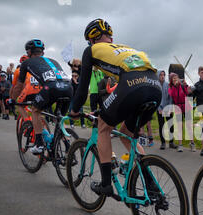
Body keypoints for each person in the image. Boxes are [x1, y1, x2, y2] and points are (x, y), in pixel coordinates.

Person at [70, 19, 162, 196]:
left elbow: (82, 89)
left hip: (133, 85)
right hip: (154, 86)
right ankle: (150, 183)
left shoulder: (91, 50)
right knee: (127, 134)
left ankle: (105, 184)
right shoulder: (126, 48)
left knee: (103, 127)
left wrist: (74, 110)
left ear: (92, 39)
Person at [11, 39, 73, 155]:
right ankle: (69, 148)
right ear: (42, 52)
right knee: (59, 119)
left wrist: (13, 100)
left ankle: (39, 144)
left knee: (35, 110)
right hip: (68, 88)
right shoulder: (53, 60)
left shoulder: (25, 63)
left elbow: (18, 87)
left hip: (51, 88)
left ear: (28, 52)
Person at [168, 72, 195, 152]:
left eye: (176, 77)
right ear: (171, 80)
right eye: (173, 78)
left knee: (189, 126)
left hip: (186, 105)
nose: (175, 79)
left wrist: (186, 85)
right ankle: (180, 145)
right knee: (179, 126)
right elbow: (171, 95)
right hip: (177, 107)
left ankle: (192, 143)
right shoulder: (171, 88)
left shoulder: (183, 86)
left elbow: (189, 92)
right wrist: (174, 86)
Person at [157, 70, 176, 150]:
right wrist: (158, 109)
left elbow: (171, 97)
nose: (162, 76)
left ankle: (171, 142)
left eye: (163, 75)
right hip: (160, 109)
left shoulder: (168, 85)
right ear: (158, 76)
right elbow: (155, 97)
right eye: (161, 75)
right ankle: (163, 143)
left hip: (168, 108)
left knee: (170, 125)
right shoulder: (156, 85)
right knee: (161, 126)